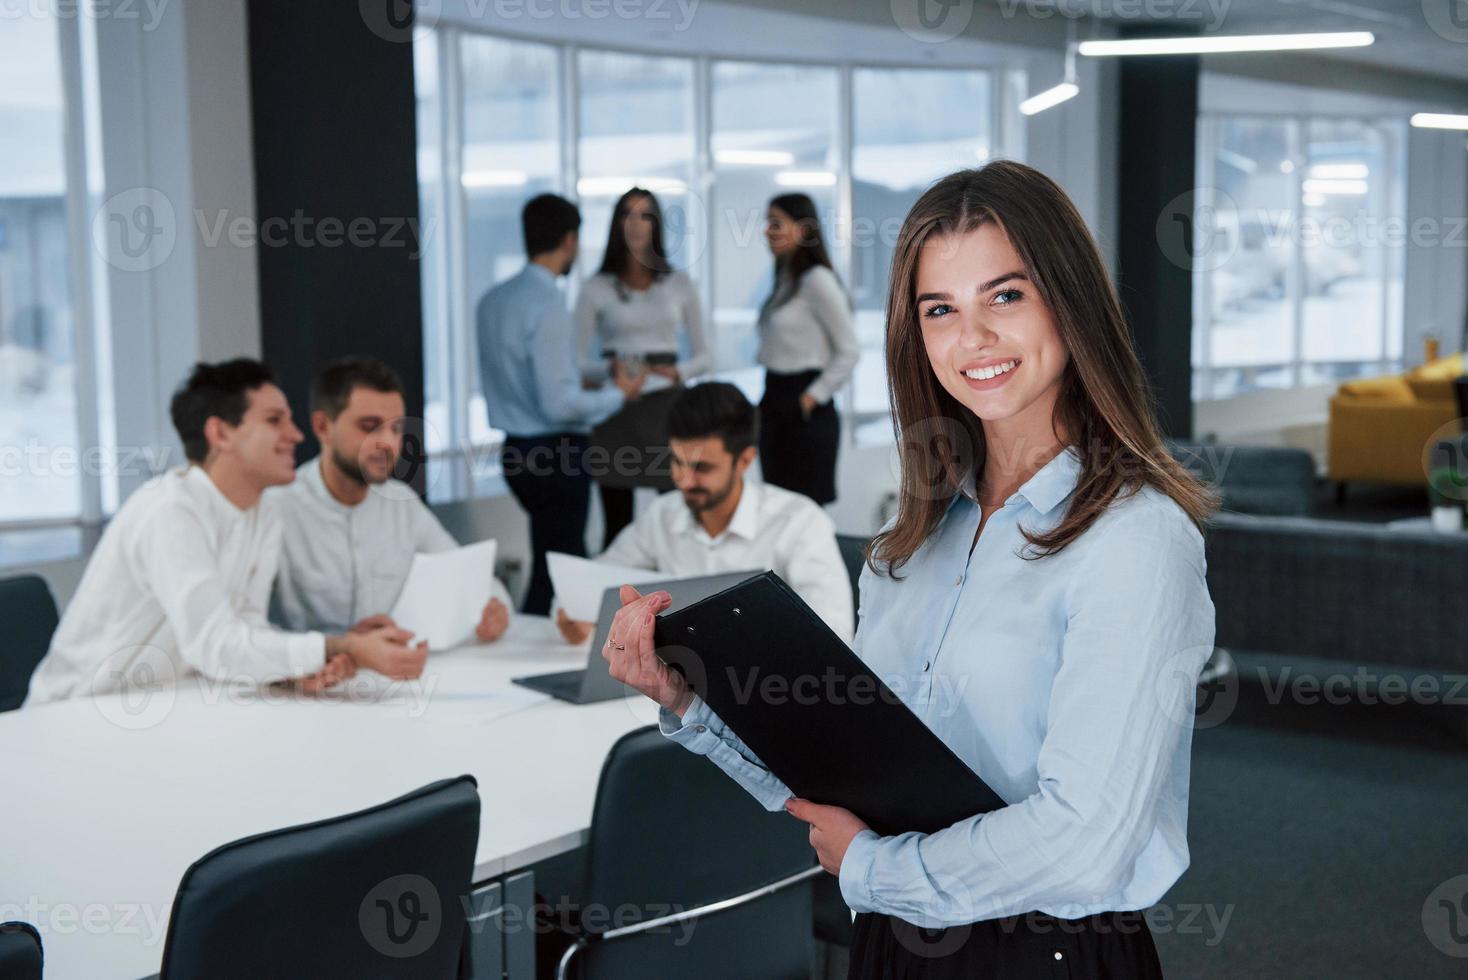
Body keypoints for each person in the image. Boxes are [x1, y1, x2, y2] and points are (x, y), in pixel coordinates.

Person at [602, 162, 1219, 977]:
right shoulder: (911, 538)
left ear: (1070, 302)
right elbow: (848, 779)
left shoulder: (1135, 541)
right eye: (940, 310)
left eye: (1006, 296)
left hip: (1043, 954)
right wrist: (691, 698)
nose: (974, 339)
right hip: (893, 940)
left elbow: (1085, 846)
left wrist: (872, 870)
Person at [25, 360, 428, 706]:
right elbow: (214, 643)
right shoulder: (169, 511)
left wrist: (293, 670)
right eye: (275, 421)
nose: (297, 434)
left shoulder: (262, 511)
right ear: (220, 434)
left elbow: (245, 630)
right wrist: (336, 647)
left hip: (173, 704)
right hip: (80, 713)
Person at [555, 381, 853, 646]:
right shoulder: (663, 515)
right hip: (675, 692)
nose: (684, 480)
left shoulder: (800, 521)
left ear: (745, 460)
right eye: (677, 462)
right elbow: (587, 587)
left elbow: (835, 634)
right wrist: (575, 615)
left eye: (702, 468)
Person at [476, 193, 645, 616]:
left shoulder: (493, 301)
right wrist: (618, 395)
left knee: (549, 562)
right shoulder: (548, 306)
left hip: (516, 451)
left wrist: (602, 371)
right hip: (557, 453)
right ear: (569, 239)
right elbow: (559, 403)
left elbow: (542, 372)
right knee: (564, 571)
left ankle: (530, 648)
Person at [271, 356, 511, 641]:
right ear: (323, 427)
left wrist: (495, 608)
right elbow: (243, 626)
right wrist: (333, 649)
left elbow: (469, 576)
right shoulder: (277, 508)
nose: (388, 443)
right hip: (310, 679)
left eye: (396, 429)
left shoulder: (402, 502)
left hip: (396, 673)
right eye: (369, 426)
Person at [575, 187, 710, 549]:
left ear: (657, 225)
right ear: (616, 223)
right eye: (627, 215)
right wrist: (611, 371)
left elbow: (705, 356)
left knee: (677, 519)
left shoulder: (679, 283)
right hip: (615, 408)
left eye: (645, 215)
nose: (636, 225)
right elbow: (578, 364)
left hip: (666, 408)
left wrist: (676, 372)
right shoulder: (595, 287)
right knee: (617, 526)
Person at [755, 192, 860, 506]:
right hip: (774, 399)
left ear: (802, 230)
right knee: (774, 510)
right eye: (767, 223)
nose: (766, 231)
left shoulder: (817, 280)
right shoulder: (786, 279)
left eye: (776, 223)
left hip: (804, 408)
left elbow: (849, 350)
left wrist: (811, 397)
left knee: (802, 515)